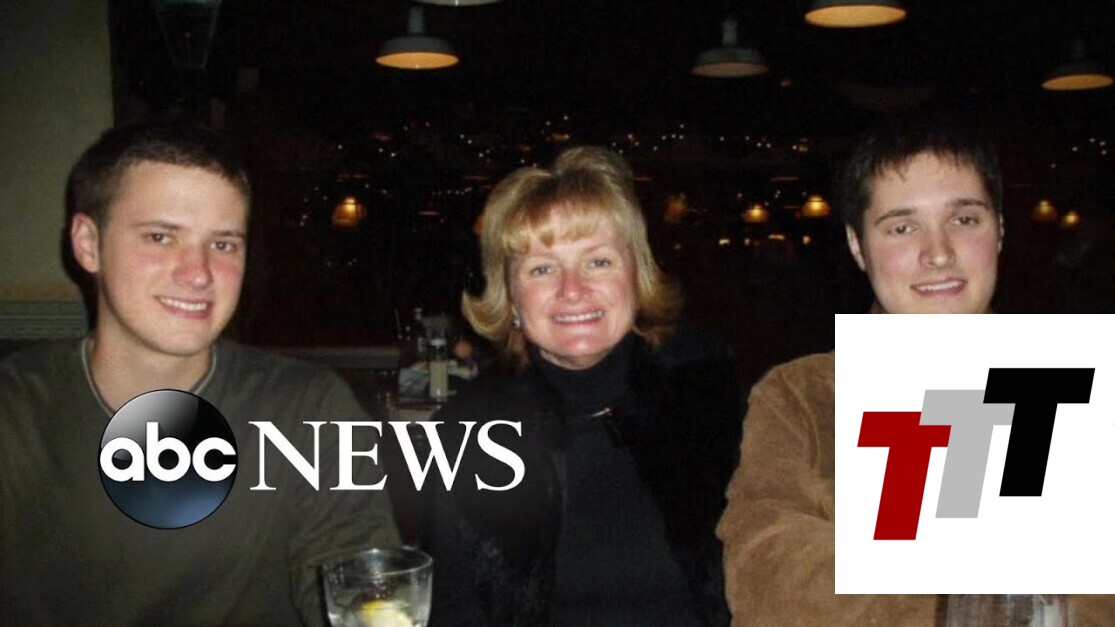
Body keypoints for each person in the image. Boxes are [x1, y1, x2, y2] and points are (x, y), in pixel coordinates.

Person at [716, 118, 1115, 625]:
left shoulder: (1080, 386)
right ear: (858, 246)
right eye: (902, 228)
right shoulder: (804, 397)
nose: (939, 253)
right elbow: (766, 577)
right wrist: (1000, 597)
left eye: (964, 219)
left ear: (999, 230)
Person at [0, 123, 399, 625]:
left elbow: (361, 593)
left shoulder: (306, 408)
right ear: (88, 243)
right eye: (161, 237)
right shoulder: (15, 411)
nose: (198, 273)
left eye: (224, 244)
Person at [423, 146, 741, 626]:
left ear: (637, 276)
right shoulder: (464, 433)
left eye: (598, 262)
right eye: (542, 268)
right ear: (510, 297)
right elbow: (453, 612)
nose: (572, 290)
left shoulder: (712, 399)